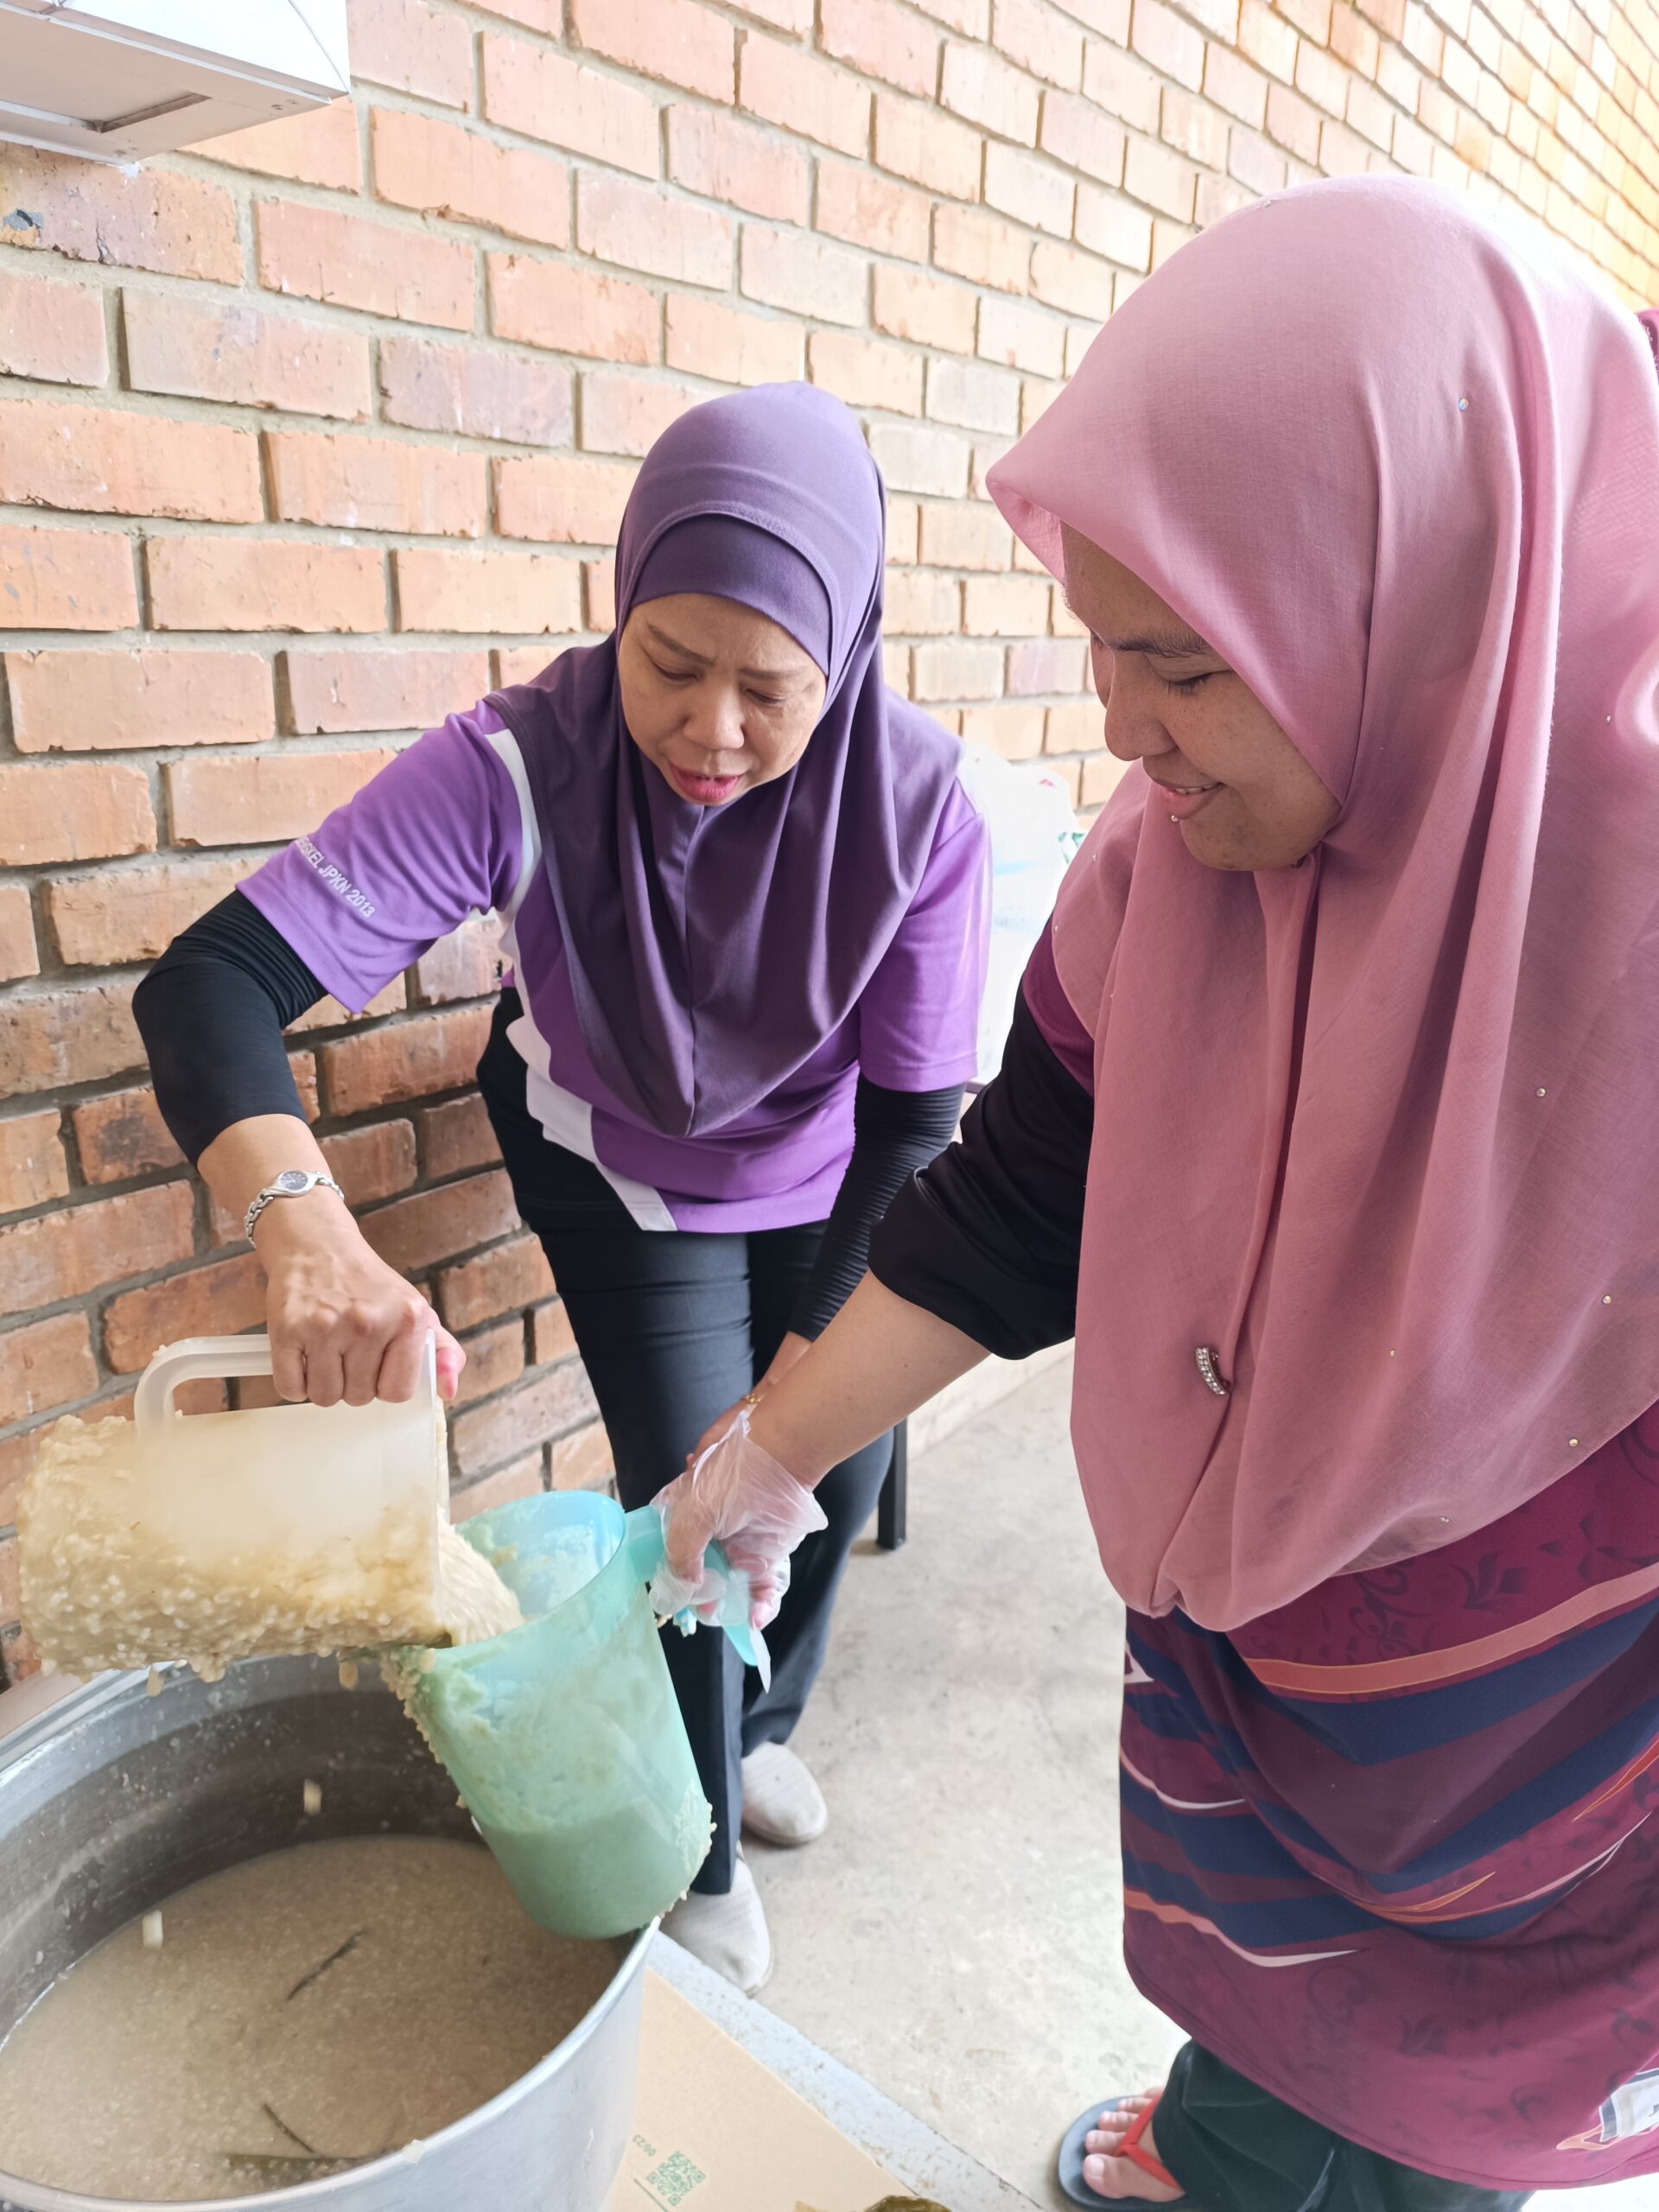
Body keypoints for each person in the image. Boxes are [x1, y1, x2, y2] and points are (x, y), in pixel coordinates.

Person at [651, 180, 1659, 2209]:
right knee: (1270, 2012)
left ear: (1423, 605)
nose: (1121, 732)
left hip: (1558, 1760)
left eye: (1184, 666)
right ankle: (1232, 2130)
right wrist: (764, 1456)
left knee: (1426, 2134)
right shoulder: (1170, 871)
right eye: (1106, 649)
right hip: (1262, 1663)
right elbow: (1017, 1200)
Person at [134, 383, 989, 1994]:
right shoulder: (523, 762)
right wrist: (301, 1231)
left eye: (769, 690)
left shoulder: (920, 806)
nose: (711, 731)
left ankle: (757, 1729)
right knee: (693, 1485)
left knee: (830, 1461)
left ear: (848, 658)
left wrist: (805, 1396)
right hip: (618, 1160)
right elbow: (210, 984)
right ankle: (693, 1851)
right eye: (671, 663)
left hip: (836, 1161)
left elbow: (913, 1127)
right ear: (620, 605)